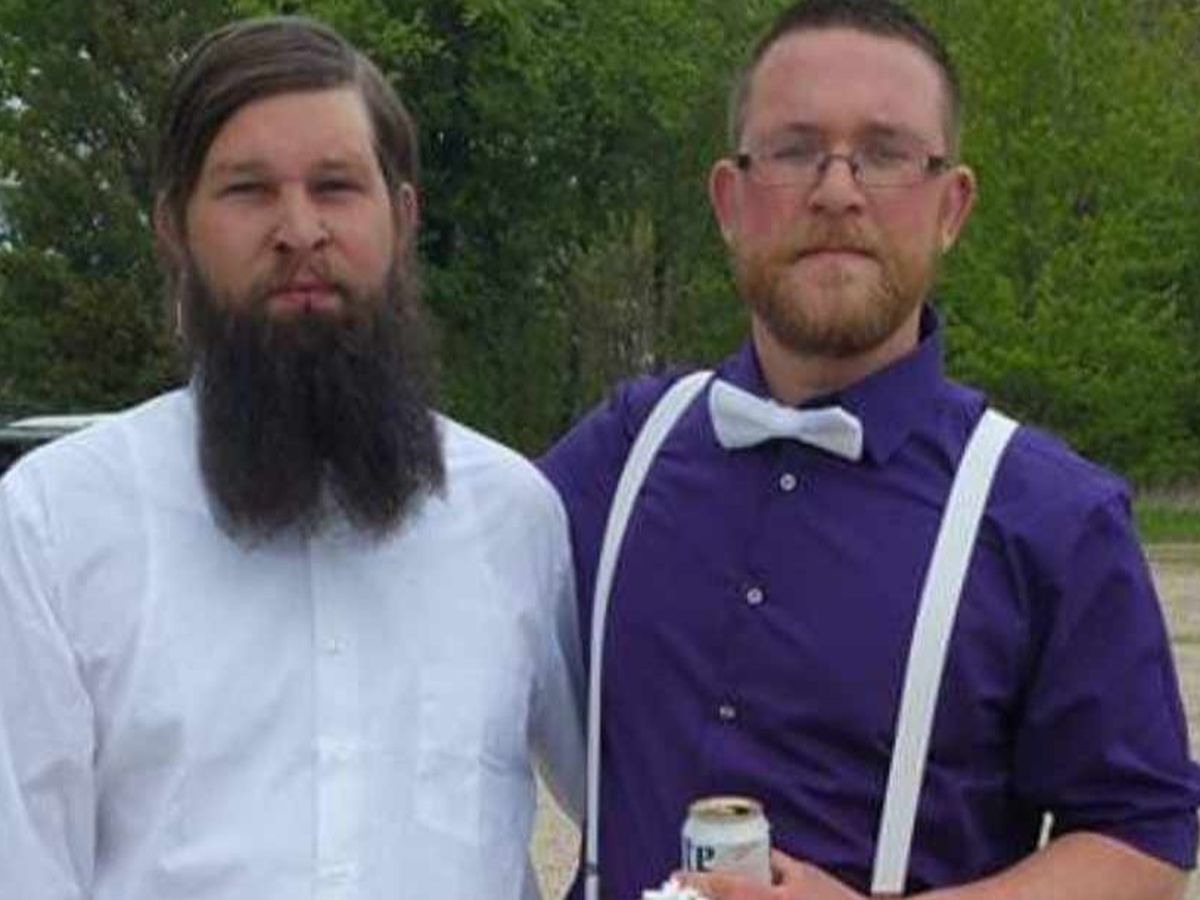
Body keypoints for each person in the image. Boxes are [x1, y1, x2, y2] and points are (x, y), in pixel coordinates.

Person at [539, 1, 1199, 899]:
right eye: (794, 149)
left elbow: (1141, 838)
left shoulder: (1055, 519)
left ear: (951, 206)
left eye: (885, 154)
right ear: (730, 201)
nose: (838, 192)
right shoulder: (621, 452)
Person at [0, 17, 583, 900]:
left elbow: (637, 806)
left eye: (336, 186)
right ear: (174, 230)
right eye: (249, 191)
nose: (300, 229)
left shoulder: (515, 517)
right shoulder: (54, 524)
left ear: (403, 218)